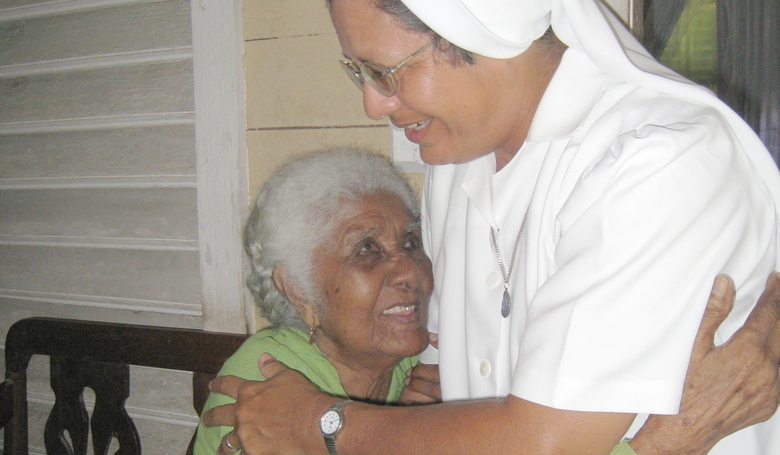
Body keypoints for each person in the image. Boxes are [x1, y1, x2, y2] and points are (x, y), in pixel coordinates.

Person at [204, 0, 780, 453]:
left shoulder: (658, 162)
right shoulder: (457, 167)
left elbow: (543, 443)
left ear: (478, 25)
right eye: (360, 72)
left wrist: (320, 424)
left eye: (385, 73)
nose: (372, 106)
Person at [193, 149, 433, 454]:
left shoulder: (421, 364)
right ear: (298, 292)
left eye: (411, 242)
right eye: (367, 249)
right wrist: (407, 432)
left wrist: (412, 421)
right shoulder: (266, 380)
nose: (411, 272)